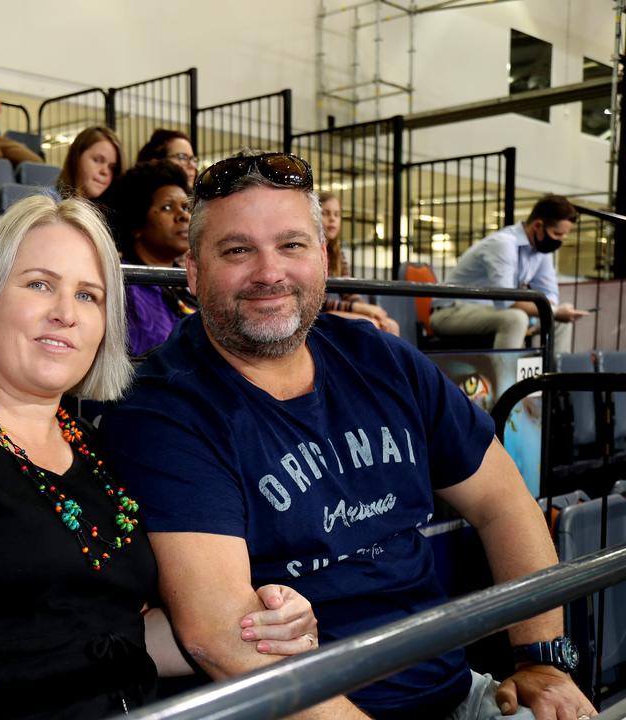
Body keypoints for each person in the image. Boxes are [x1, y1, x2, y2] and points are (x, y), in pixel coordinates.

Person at [103, 150, 597, 719]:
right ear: (194, 272)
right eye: (237, 250)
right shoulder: (164, 408)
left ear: (323, 257)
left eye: (291, 245)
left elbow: (502, 502)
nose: (269, 272)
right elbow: (221, 639)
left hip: (458, 691)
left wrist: (541, 660)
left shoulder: (380, 358)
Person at [0, 194, 320, 719]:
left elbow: (108, 635)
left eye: (88, 296)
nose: (64, 314)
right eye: (39, 284)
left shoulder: (95, 447)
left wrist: (259, 626)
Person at [430, 194, 587, 353]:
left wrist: (554, 312)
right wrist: (555, 310)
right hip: (450, 313)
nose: (560, 240)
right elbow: (507, 301)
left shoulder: (541, 251)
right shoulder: (503, 244)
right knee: (516, 318)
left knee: (559, 322)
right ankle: (508, 377)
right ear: (538, 225)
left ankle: (554, 377)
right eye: (557, 234)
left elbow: (550, 294)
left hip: (492, 312)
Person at [103, 160, 196, 356]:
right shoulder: (123, 285)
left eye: (186, 207)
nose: (184, 216)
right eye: (168, 208)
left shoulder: (186, 282)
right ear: (136, 223)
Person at [318, 191, 399, 335]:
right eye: (326, 213)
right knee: (369, 324)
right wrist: (361, 309)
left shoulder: (337, 253)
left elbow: (348, 292)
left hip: (334, 311)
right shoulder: (312, 251)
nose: (332, 219)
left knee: (390, 325)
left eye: (337, 214)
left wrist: (370, 310)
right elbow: (320, 303)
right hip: (317, 315)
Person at [57, 125, 122, 202]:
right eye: (97, 160)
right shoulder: (49, 204)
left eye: (111, 167)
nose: (105, 171)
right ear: (76, 156)